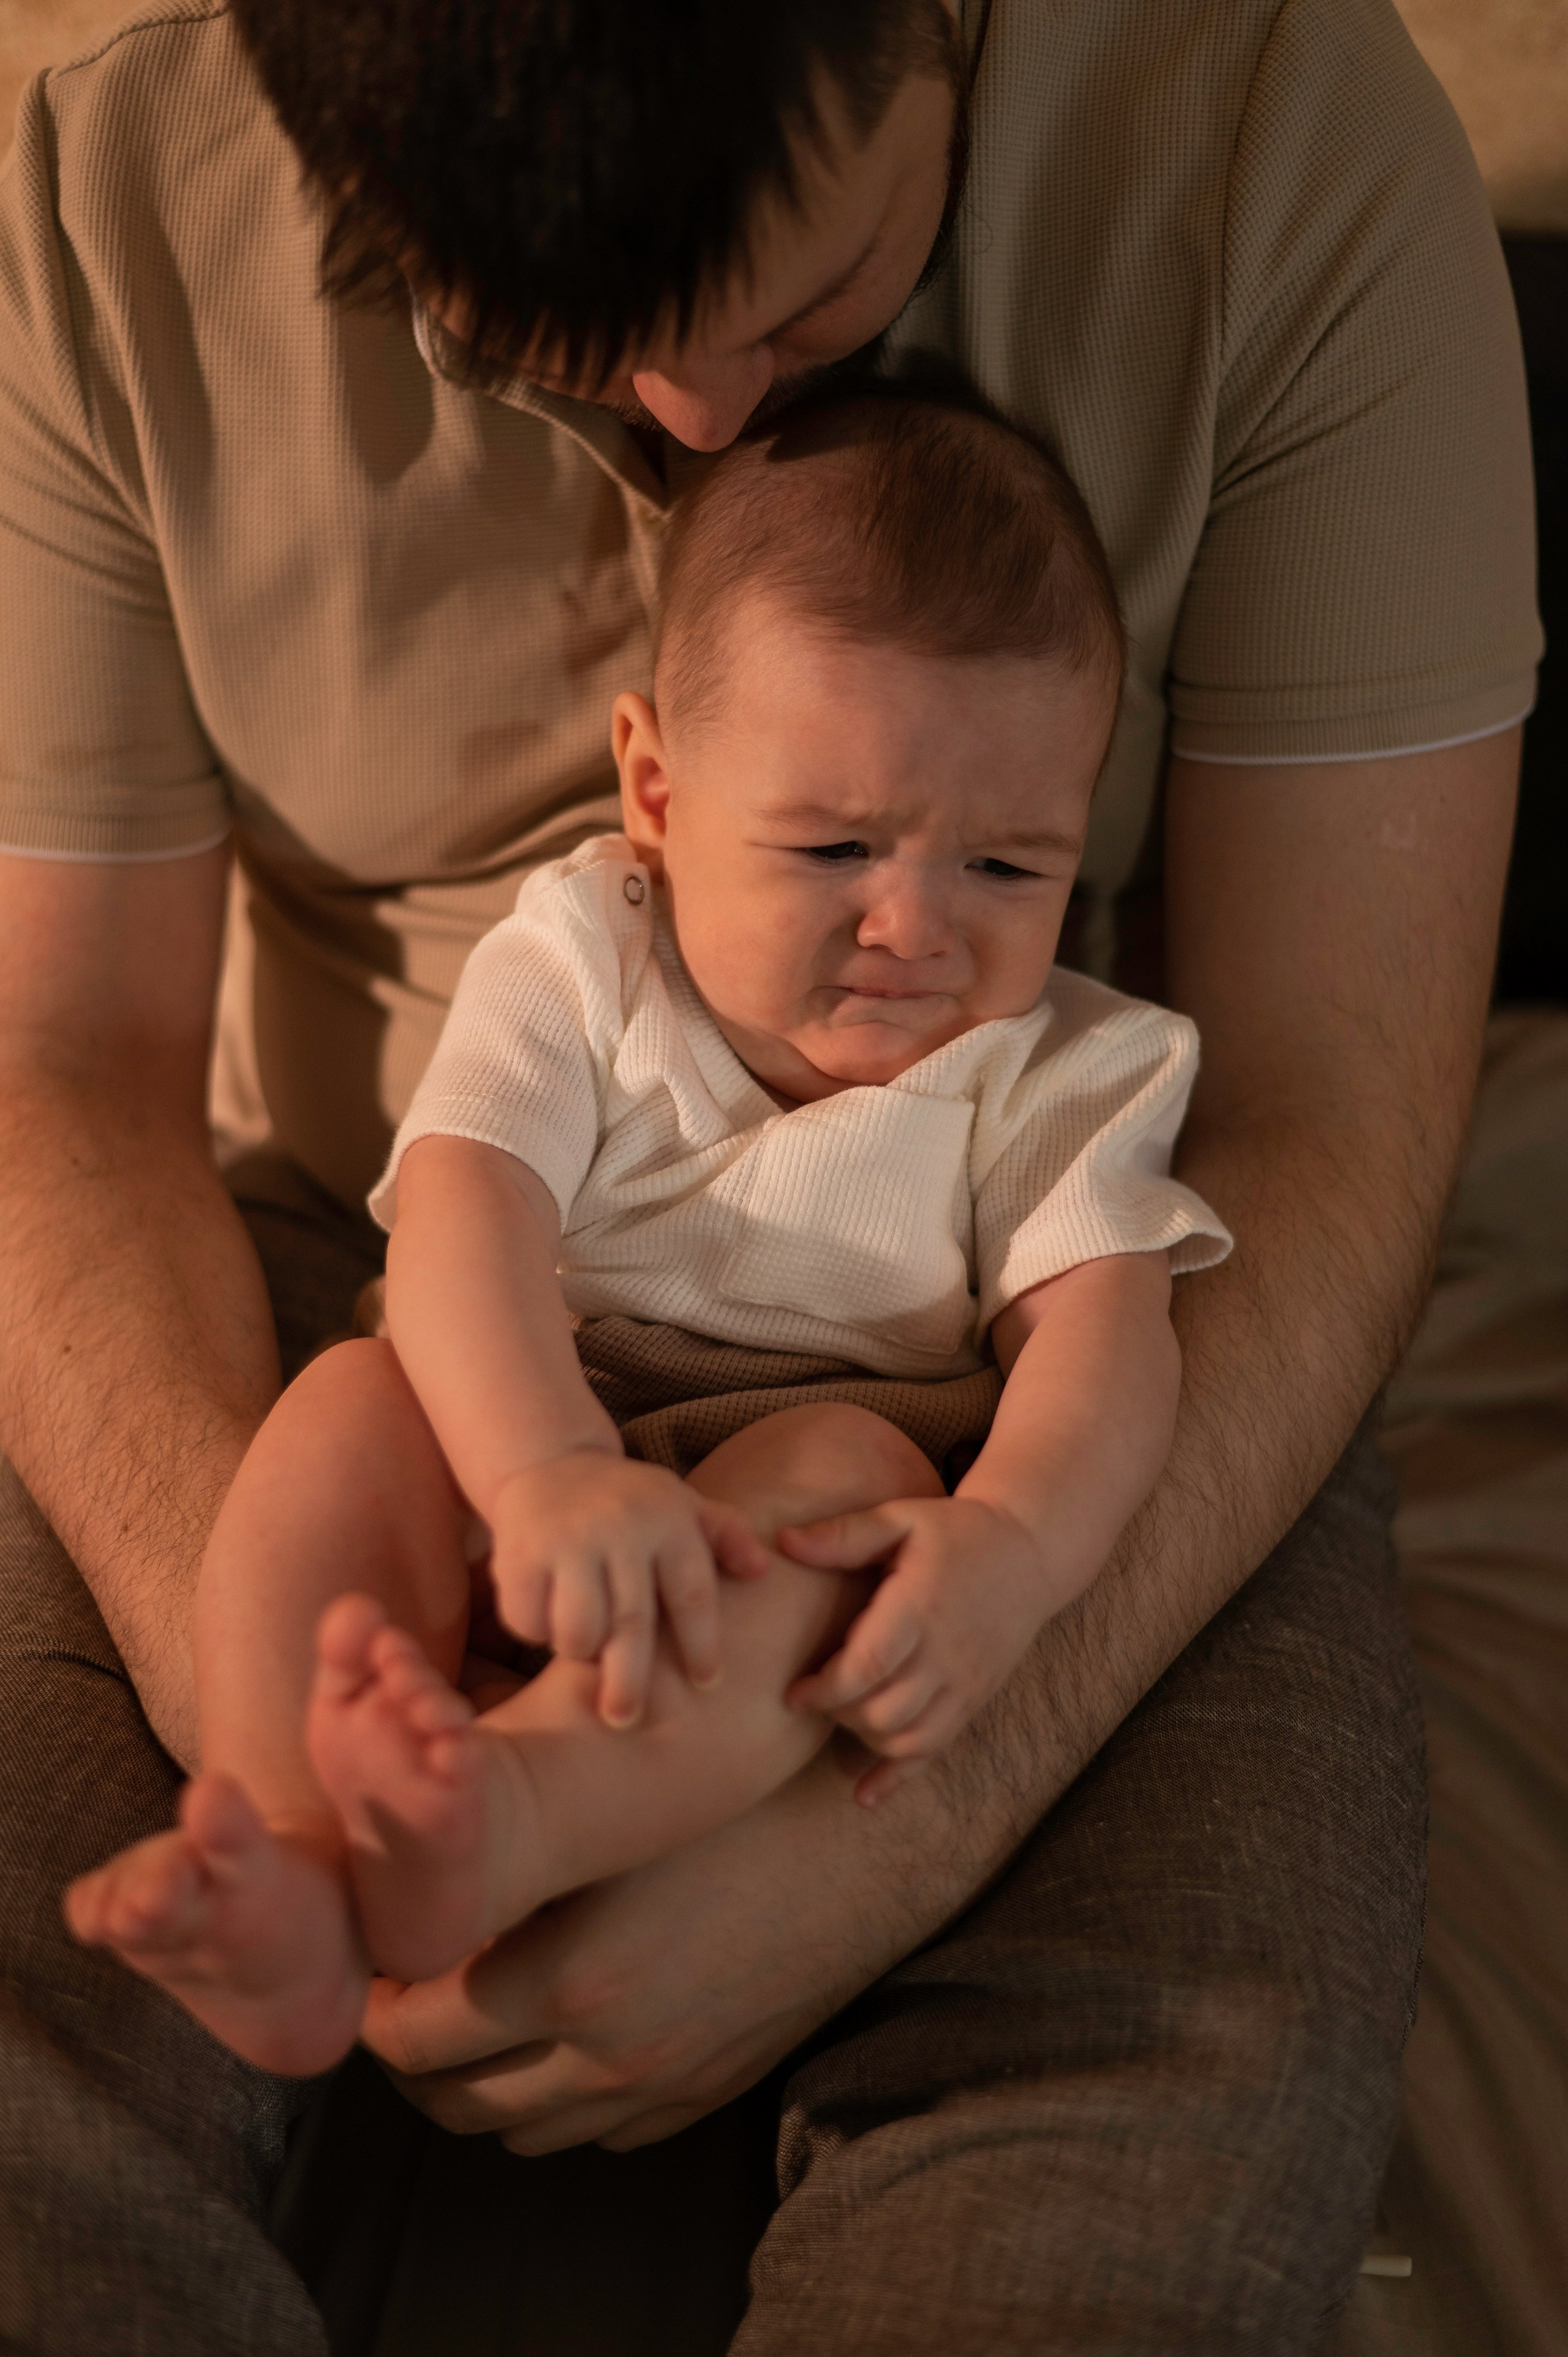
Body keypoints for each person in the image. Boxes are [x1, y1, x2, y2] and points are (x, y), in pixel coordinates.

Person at [0, 2, 1539, 2350]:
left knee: (1153, 2090)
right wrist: (299, 1698)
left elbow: (1302, 1134)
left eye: (813, 303)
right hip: (388, 1284)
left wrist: (910, 1786)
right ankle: (326, 1856)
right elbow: (74, 1080)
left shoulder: (1273, 135)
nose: (707, 419)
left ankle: (520, 1820)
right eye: (540, 338)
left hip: (923, 1395)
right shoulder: (109, 215)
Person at [64, 394, 1232, 2076]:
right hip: (515, 1434)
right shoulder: (588, 955)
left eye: (1006, 864)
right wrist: (543, 1469)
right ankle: (289, 1857)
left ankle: (512, 1817)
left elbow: (1108, 1349)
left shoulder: (1063, 1068)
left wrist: (1015, 1552)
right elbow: (467, 1206)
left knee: (851, 1492)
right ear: (660, 793)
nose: (915, 926)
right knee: (347, 1407)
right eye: (834, 846)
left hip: (782, 1500)